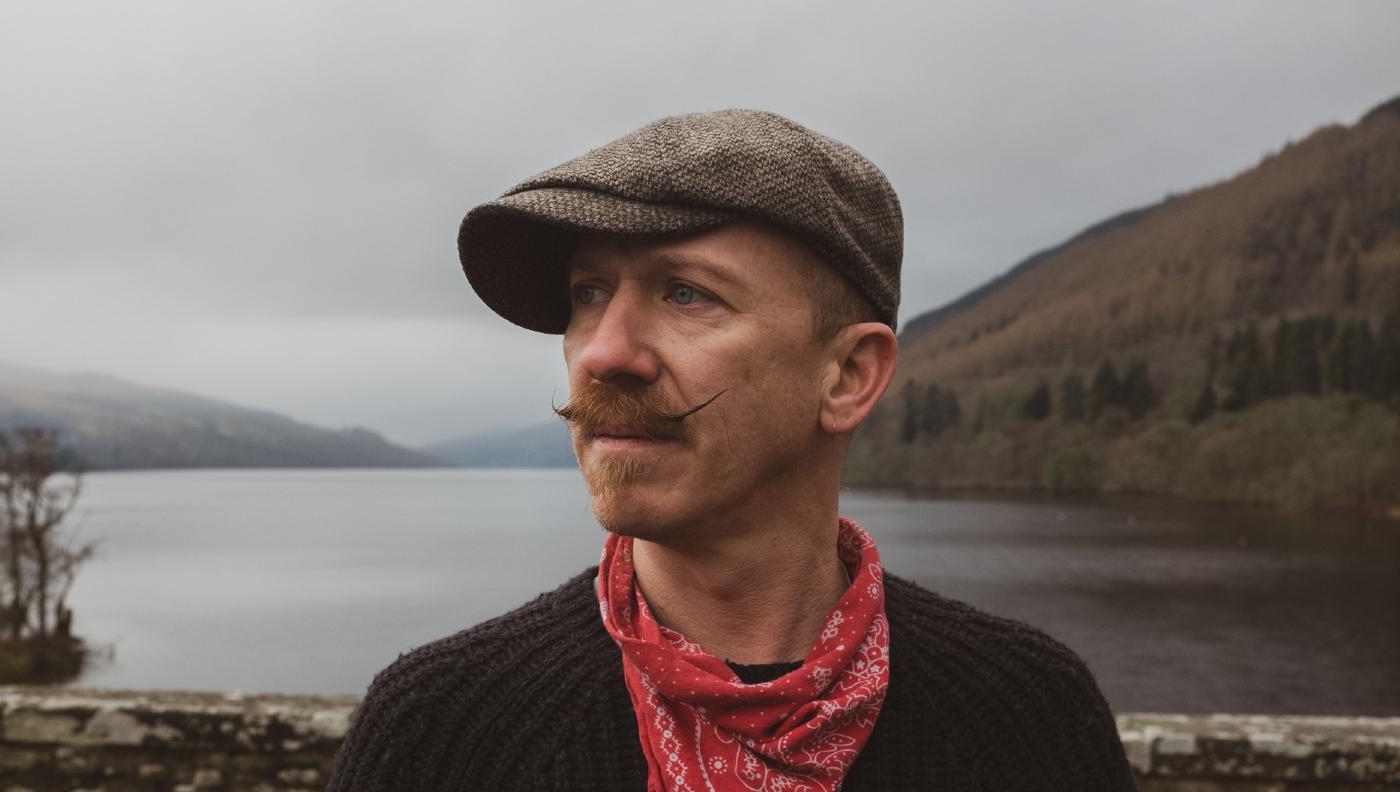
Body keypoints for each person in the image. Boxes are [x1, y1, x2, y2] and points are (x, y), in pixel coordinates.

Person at [326, 110, 1137, 791]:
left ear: (849, 376)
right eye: (588, 293)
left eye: (687, 292)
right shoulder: (445, 732)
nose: (605, 352)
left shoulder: (1022, 716)